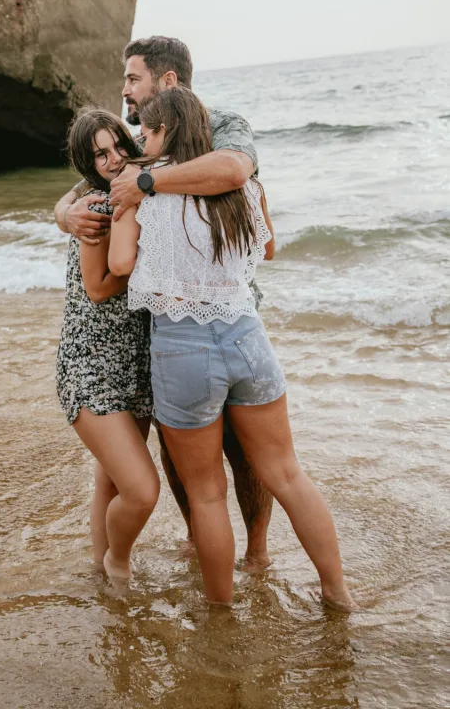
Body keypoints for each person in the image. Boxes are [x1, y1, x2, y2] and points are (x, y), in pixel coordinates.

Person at [108, 86, 357, 610]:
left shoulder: (145, 196)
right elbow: (265, 248)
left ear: (165, 133)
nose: (141, 144)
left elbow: (121, 267)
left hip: (181, 348)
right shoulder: (247, 190)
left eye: (147, 134)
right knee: (288, 474)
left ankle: (221, 613)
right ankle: (337, 591)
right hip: (247, 338)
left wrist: (113, 213)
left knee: (206, 495)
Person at [54, 36, 273, 570]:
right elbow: (94, 179)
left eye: (133, 79)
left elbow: (235, 172)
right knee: (181, 459)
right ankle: (196, 545)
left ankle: (257, 552)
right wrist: (65, 212)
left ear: (166, 81)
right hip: (159, 333)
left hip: (225, 315)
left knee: (245, 454)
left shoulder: (222, 125)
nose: (125, 90)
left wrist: (146, 183)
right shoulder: (137, 144)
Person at [55, 108, 159, 581]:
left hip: (134, 359)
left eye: (118, 145)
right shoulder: (96, 207)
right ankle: (118, 562)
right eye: (101, 155)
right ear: (87, 163)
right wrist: (153, 270)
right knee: (139, 489)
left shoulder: (136, 185)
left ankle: (101, 574)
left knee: (110, 480)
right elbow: (97, 287)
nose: (115, 159)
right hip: (91, 362)